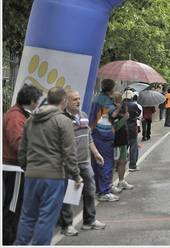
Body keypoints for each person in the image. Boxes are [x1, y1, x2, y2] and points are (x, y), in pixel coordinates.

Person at [14, 87, 83, 245]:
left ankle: (20, 244)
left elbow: (23, 148)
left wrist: (27, 168)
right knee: (46, 217)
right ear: (64, 101)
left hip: (31, 174)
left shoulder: (31, 119)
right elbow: (69, 152)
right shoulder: (63, 120)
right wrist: (76, 175)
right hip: (53, 176)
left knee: (27, 216)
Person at [59, 90, 106, 236]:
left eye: (79, 99)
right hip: (69, 163)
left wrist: (96, 153)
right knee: (69, 195)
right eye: (74, 99)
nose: (78, 101)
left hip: (84, 162)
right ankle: (67, 225)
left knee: (90, 191)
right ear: (66, 102)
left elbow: (88, 137)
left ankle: (89, 220)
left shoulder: (84, 116)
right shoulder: (62, 119)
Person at [2, 85, 42, 245]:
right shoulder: (16, 117)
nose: (38, 103)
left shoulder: (19, 114)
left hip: (16, 167)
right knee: (13, 208)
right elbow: (18, 144)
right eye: (37, 101)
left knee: (15, 206)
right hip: (15, 168)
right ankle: (8, 240)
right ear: (32, 101)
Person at [89, 79, 122, 202]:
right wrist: (118, 108)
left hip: (94, 134)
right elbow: (113, 114)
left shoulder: (96, 98)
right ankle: (105, 191)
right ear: (112, 89)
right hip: (104, 135)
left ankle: (98, 189)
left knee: (96, 163)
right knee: (106, 163)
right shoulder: (106, 100)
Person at [111, 92, 134, 191]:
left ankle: (121, 181)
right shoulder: (113, 112)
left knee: (123, 161)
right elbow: (114, 127)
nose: (122, 101)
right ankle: (110, 184)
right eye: (120, 99)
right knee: (114, 162)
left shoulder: (120, 110)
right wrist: (124, 119)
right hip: (117, 142)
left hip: (123, 140)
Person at [122, 90, 142, 172]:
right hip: (132, 128)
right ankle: (132, 165)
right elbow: (139, 112)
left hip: (122, 128)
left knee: (122, 147)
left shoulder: (120, 105)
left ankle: (119, 165)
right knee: (133, 146)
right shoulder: (134, 105)